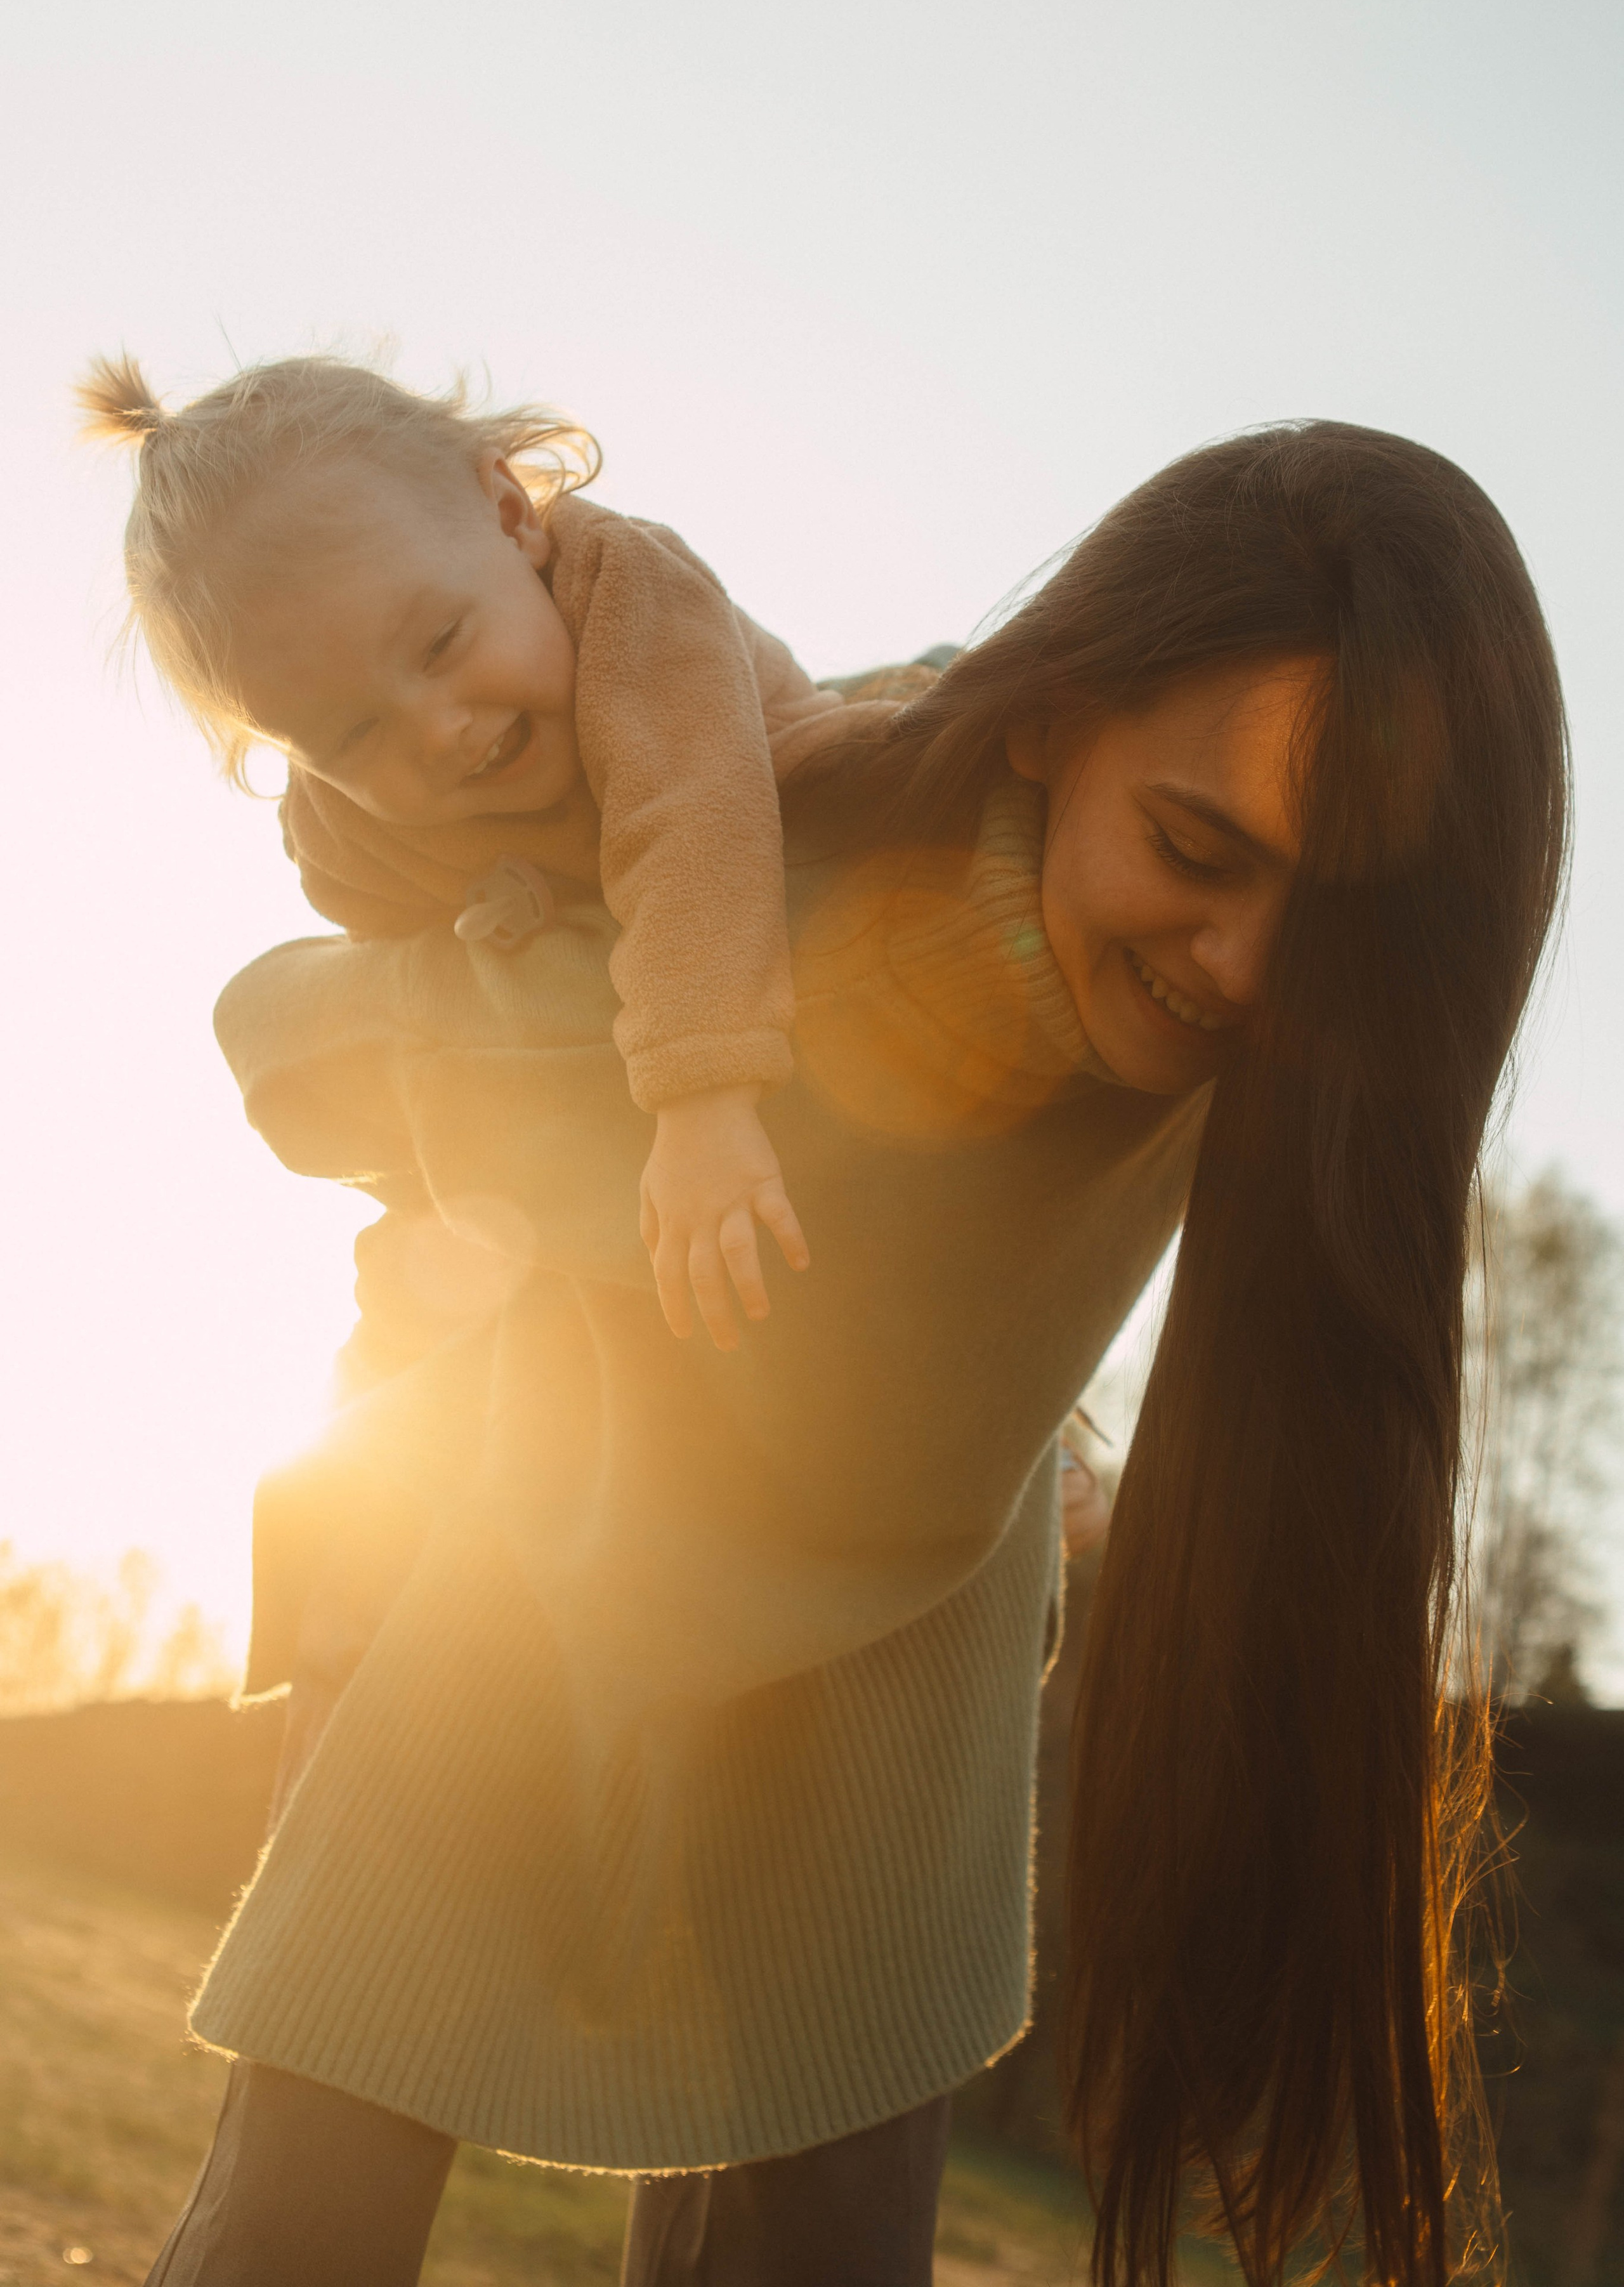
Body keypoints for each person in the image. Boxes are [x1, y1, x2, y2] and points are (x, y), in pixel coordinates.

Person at [121, 419, 1562, 2287]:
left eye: (1339, 917)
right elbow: (287, 1039)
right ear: (1053, 720)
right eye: (1192, 848)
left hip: (893, 1662)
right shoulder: (799, 881)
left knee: (813, 2236)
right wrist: (459, 1029)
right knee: (307, 2211)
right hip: (530, 1573)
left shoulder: (1272, 1053)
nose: (1243, 962)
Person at [77, 351, 934, 1349]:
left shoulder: (630, 597)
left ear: (510, 514)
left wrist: (704, 1102)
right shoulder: (346, 830)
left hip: (775, 790)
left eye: (440, 643)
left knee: (910, 767)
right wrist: (424, 1208)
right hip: (608, 923)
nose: (436, 727)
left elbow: (693, 826)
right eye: (352, 735)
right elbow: (422, 1007)